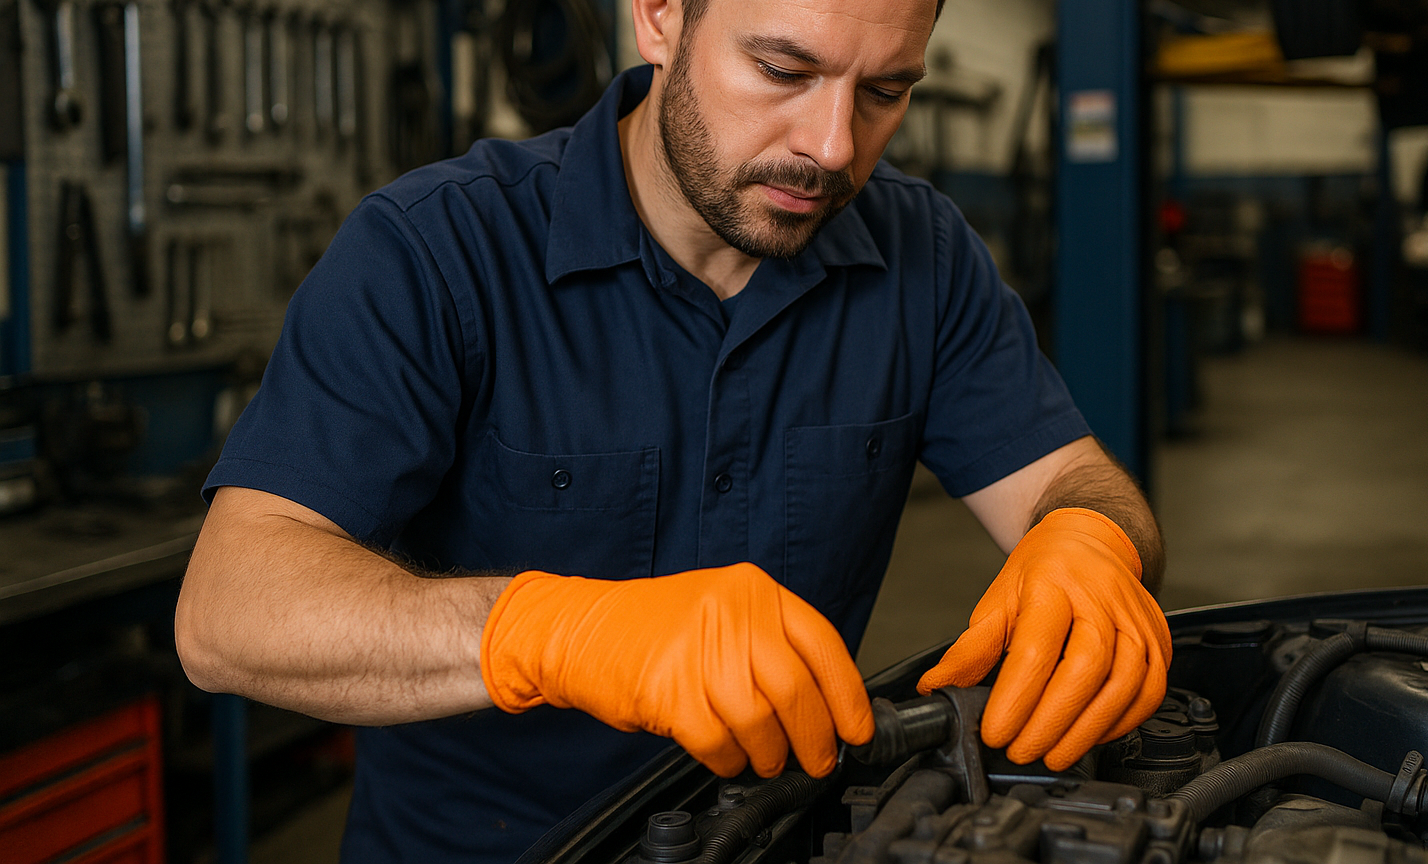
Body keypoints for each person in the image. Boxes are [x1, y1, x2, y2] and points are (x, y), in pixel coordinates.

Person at [174, 0, 1171, 860]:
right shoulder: (436, 252)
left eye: (884, 92)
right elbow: (229, 613)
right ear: (658, 17)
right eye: (783, 69)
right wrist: (554, 633)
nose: (831, 146)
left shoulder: (927, 258)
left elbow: (1072, 479)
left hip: (787, 837)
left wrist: (1091, 539)